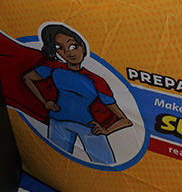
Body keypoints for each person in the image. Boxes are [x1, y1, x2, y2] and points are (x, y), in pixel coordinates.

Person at [22, 24, 131, 164]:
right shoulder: (55, 69)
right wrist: (45, 102)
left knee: (106, 164)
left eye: (72, 46)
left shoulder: (95, 81)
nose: (68, 52)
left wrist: (106, 130)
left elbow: (124, 120)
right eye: (59, 48)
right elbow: (27, 78)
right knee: (57, 163)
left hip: (88, 127)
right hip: (58, 122)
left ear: (82, 47)